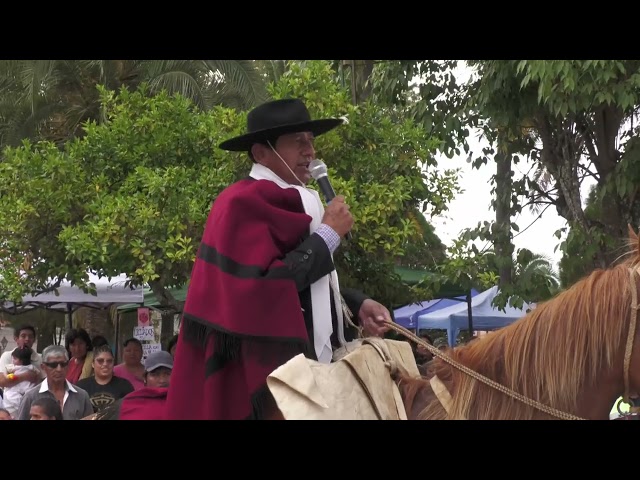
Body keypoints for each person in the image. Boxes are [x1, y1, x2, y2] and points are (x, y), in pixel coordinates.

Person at [165, 98, 392, 420]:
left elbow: (303, 289)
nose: (309, 152)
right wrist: (328, 235)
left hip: (313, 369)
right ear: (261, 152)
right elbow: (261, 290)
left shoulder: (302, 200)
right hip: (263, 374)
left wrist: (355, 304)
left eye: (311, 141)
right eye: (297, 142)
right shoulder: (239, 202)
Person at [2, 347, 39, 418]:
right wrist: (8, 376)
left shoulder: (30, 367)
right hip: (16, 386)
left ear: (22, 361)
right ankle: (21, 405)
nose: (12, 360)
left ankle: (27, 405)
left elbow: (37, 374)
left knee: (30, 394)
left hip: (27, 385)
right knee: (9, 394)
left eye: (15, 359)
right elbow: (5, 372)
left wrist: (35, 378)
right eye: (12, 358)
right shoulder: (13, 367)